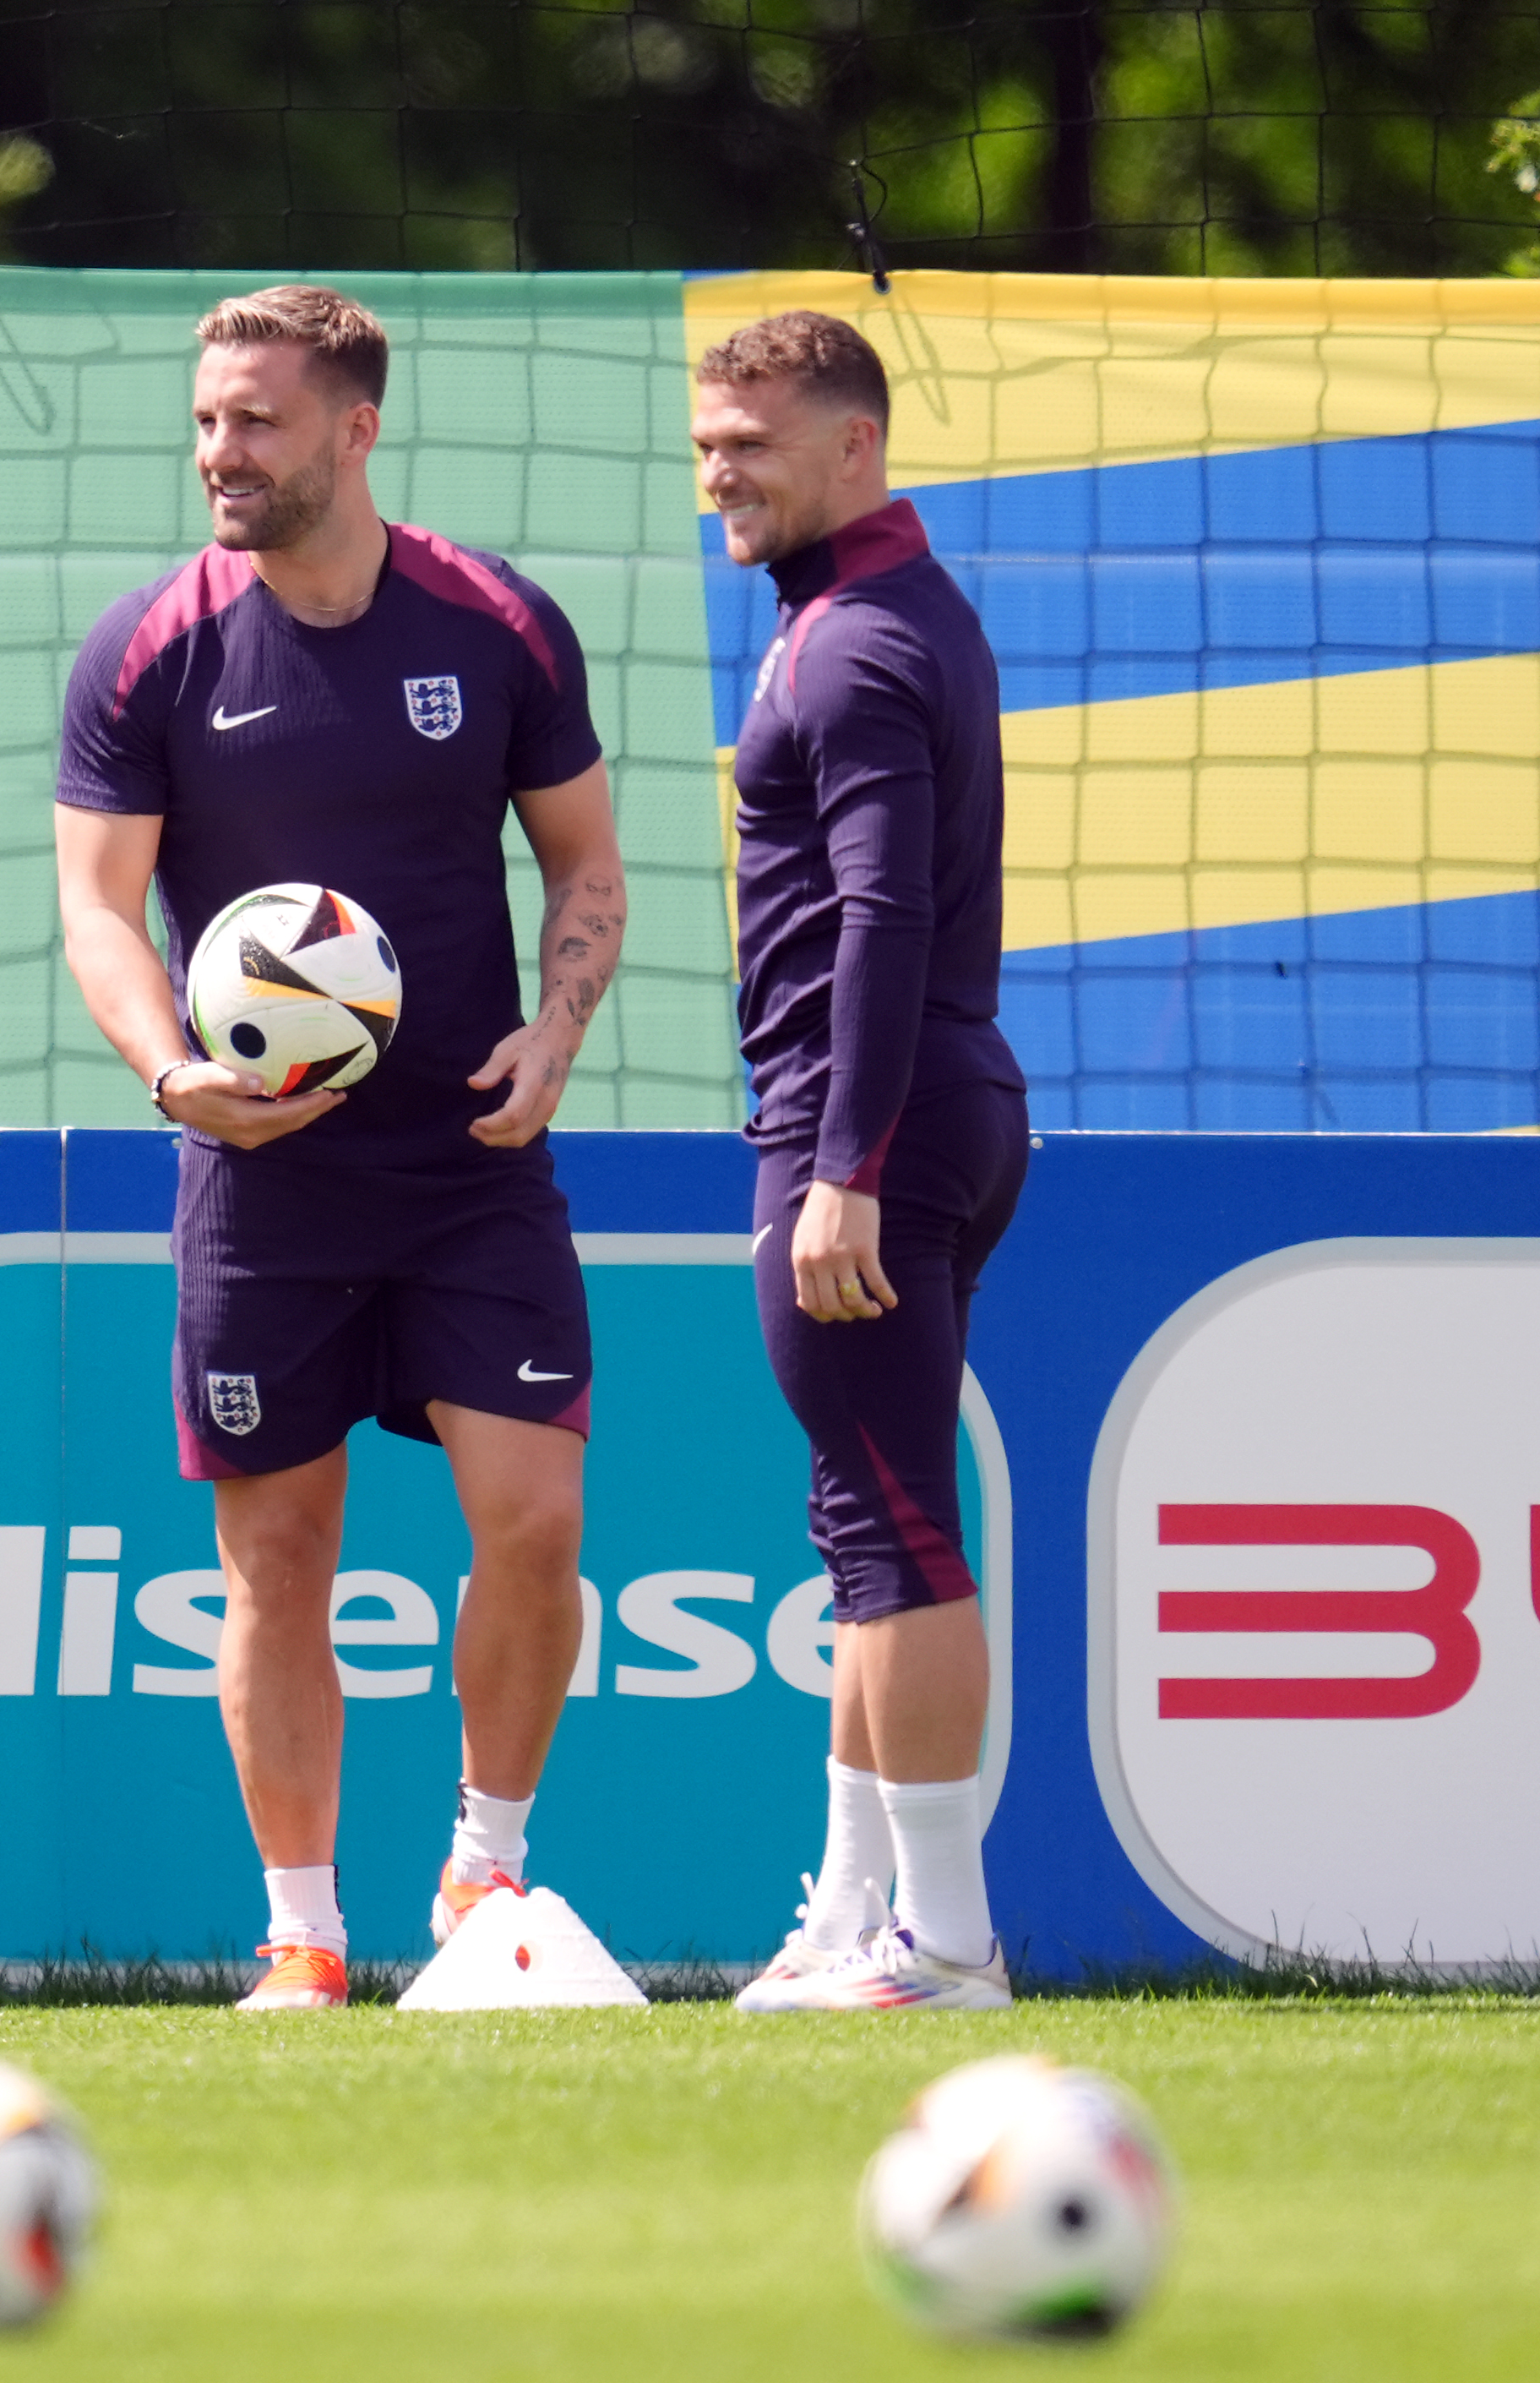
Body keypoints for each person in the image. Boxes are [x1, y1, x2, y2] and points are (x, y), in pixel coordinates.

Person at [54, 285, 626, 2010]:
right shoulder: (151, 646)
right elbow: (95, 905)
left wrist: (559, 1028)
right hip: (260, 1181)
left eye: (258, 421)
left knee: (533, 1522)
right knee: (277, 1558)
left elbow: (586, 869)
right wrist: (172, 1073)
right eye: (209, 417)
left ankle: (485, 1876)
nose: (220, 451)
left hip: (470, 1162)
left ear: (356, 430)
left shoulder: (498, 622)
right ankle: (302, 1935)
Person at [690, 311, 1026, 2013]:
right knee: (865, 1521)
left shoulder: (854, 645)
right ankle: (851, 1913)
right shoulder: (880, 616)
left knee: (898, 1534)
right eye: (707, 444)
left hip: (869, 1120)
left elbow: (885, 908)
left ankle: (946, 1946)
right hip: (915, 1105)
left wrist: (845, 1165)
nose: (717, 471)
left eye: (750, 442)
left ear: (856, 446)